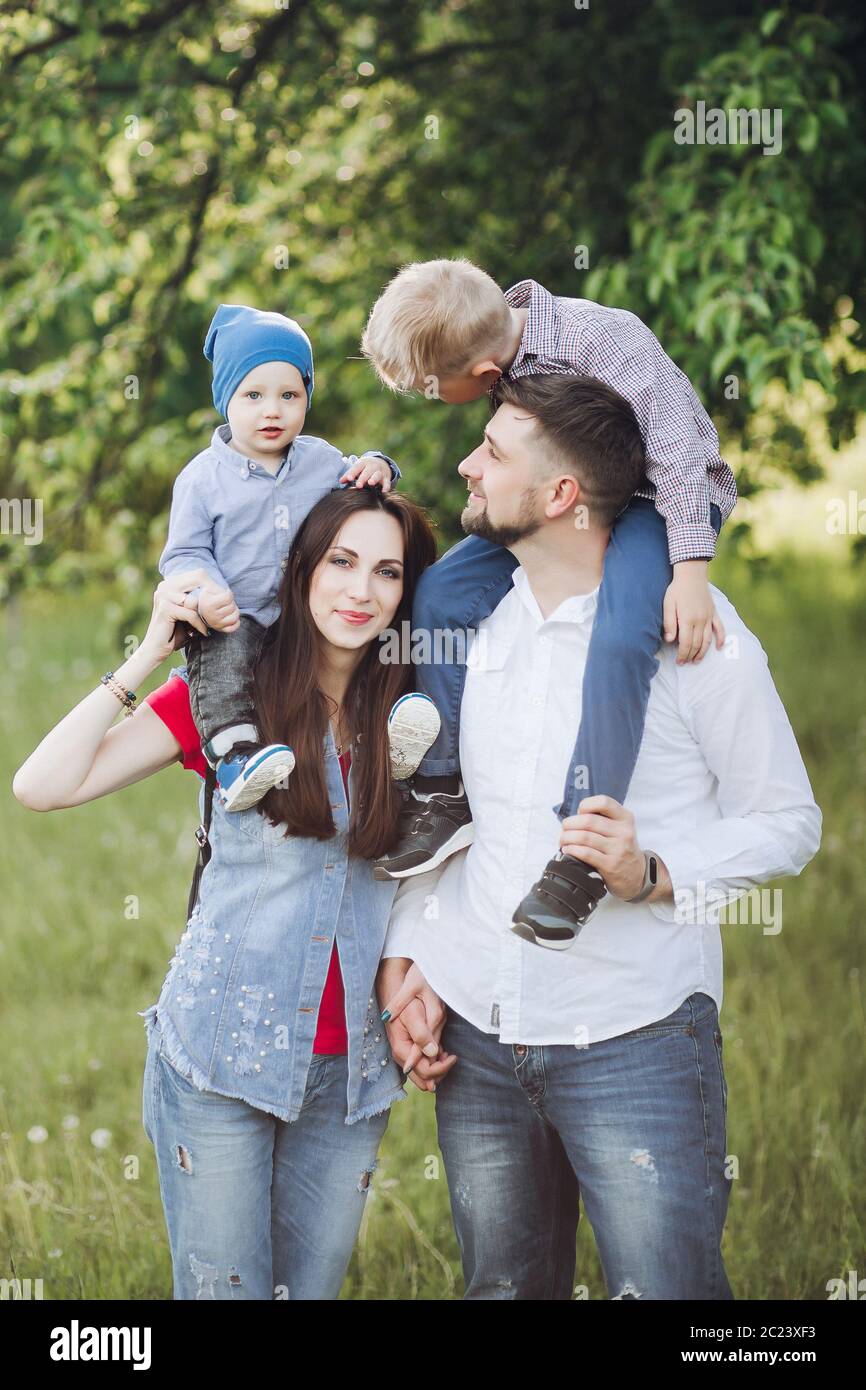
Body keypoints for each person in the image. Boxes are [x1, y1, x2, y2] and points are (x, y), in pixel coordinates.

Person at [376, 374, 822, 1300]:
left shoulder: (695, 635)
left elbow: (788, 821)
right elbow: (449, 811)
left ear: (562, 497)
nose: (466, 463)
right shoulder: (467, 625)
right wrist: (416, 953)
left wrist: (655, 870)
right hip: (480, 1040)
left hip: (636, 1038)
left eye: (493, 453)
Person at [12, 485, 441, 1301]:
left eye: (386, 573)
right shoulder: (231, 702)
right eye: (342, 562)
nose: (361, 591)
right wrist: (147, 654)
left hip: (348, 1071)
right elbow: (42, 785)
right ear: (303, 569)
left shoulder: (414, 709)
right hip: (219, 1056)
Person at [362, 259, 737, 948]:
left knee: (623, 635)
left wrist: (689, 570)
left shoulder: (606, 338)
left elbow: (682, 455)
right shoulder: (490, 342)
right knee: (441, 593)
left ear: (477, 379)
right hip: (561, 497)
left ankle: (583, 853)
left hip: (657, 503)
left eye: (424, 388)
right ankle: (445, 789)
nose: (423, 396)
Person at [160, 302, 439, 814]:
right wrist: (205, 590)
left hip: (300, 617)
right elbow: (185, 552)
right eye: (254, 396)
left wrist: (379, 464)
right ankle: (234, 757)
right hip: (234, 615)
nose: (273, 411)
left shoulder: (318, 459)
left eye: (290, 395)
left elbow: (359, 475)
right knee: (223, 670)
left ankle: (392, 742)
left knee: (367, 649)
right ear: (226, 398)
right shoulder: (202, 479)